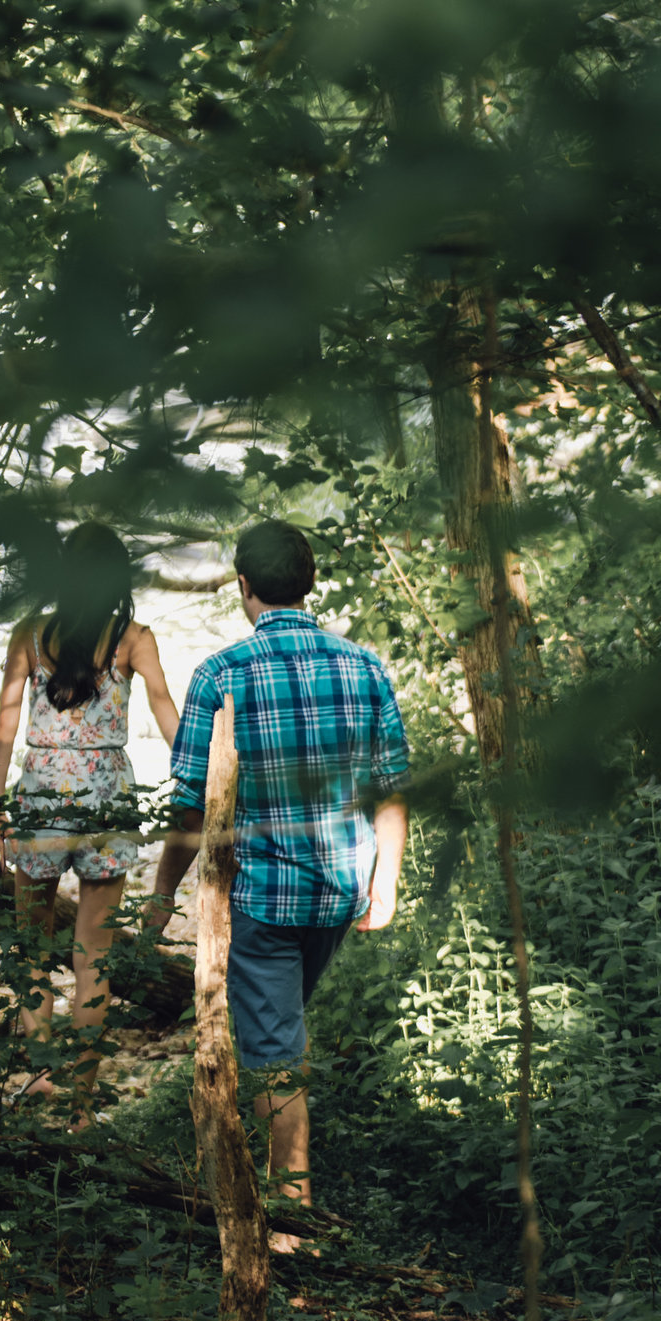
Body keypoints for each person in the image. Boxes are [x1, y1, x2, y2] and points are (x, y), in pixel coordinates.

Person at [152, 520, 410, 1251]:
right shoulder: (365, 667)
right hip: (340, 891)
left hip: (263, 898)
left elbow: (187, 804)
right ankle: (275, 1193)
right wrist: (384, 882)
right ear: (311, 580)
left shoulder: (220, 673)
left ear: (244, 585)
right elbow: (393, 787)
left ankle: (290, 1223)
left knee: (273, 1054)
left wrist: (164, 890)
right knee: (281, 1030)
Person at [0, 524, 181, 1099]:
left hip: (42, 796)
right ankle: (81, 1105)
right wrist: (198, 773)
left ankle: (43, 1073)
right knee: (94, 958)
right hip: (106, 798)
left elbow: (5, 726)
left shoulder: (30, 634)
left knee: (31, 947)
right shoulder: (133, 638)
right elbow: (168, 714)